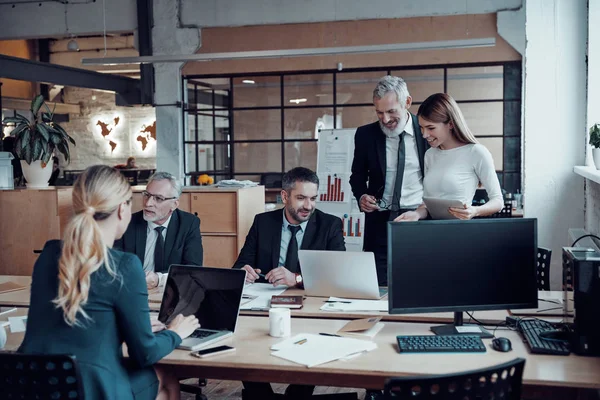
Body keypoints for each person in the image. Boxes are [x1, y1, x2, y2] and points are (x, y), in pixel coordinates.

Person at [18, 165, 200, 400]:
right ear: (122, 210)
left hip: (34, 385)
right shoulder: (124, 265)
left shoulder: (49, 254)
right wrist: (175, 332)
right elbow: (144, 354)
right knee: (163, 376)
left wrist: (128, 324)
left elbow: (87, 315)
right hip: (93, 390)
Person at [233, 166, 345, 400]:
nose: (309, 206)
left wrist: (297, 279)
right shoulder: (263, 222)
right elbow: (241, 263)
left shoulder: (330, 225)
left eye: (313, 198)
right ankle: (261, 394)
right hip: (265, 304)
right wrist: (244, 271)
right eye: (301, 198)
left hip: (309, 308)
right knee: (241, 340)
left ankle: (298, 394)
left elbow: (337, 276)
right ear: (284, 196)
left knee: (314, 344)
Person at [349, 75, 428, 286]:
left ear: (408, 103)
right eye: (379, 112)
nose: (385, 119)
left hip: (418, 218)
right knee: (379, 285)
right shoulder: (365, 135)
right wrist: (361, 196)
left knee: (418, 282)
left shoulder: (427, 132)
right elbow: (357, 176)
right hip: (379, 222)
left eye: (391, 111)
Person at [395, 93, 503, 221]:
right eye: (421, 128)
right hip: (431, 231)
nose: (424, 135)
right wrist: (417, 214)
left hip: (459, 231)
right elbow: (428, 205)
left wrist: (474, 211)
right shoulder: (430, 154)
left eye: (430, 128)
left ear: (450, 124)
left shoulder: (476, 152)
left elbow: (498, 201)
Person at [115, 171, 203, 289]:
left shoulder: (188, 224)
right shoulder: (128, 222)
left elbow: (193, 270)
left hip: (172, 291)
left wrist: (159, 279)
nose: (148, 203)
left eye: (158, 198)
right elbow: (114, 266)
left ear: (174, 204)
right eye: (146, 195)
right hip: (133, 289)